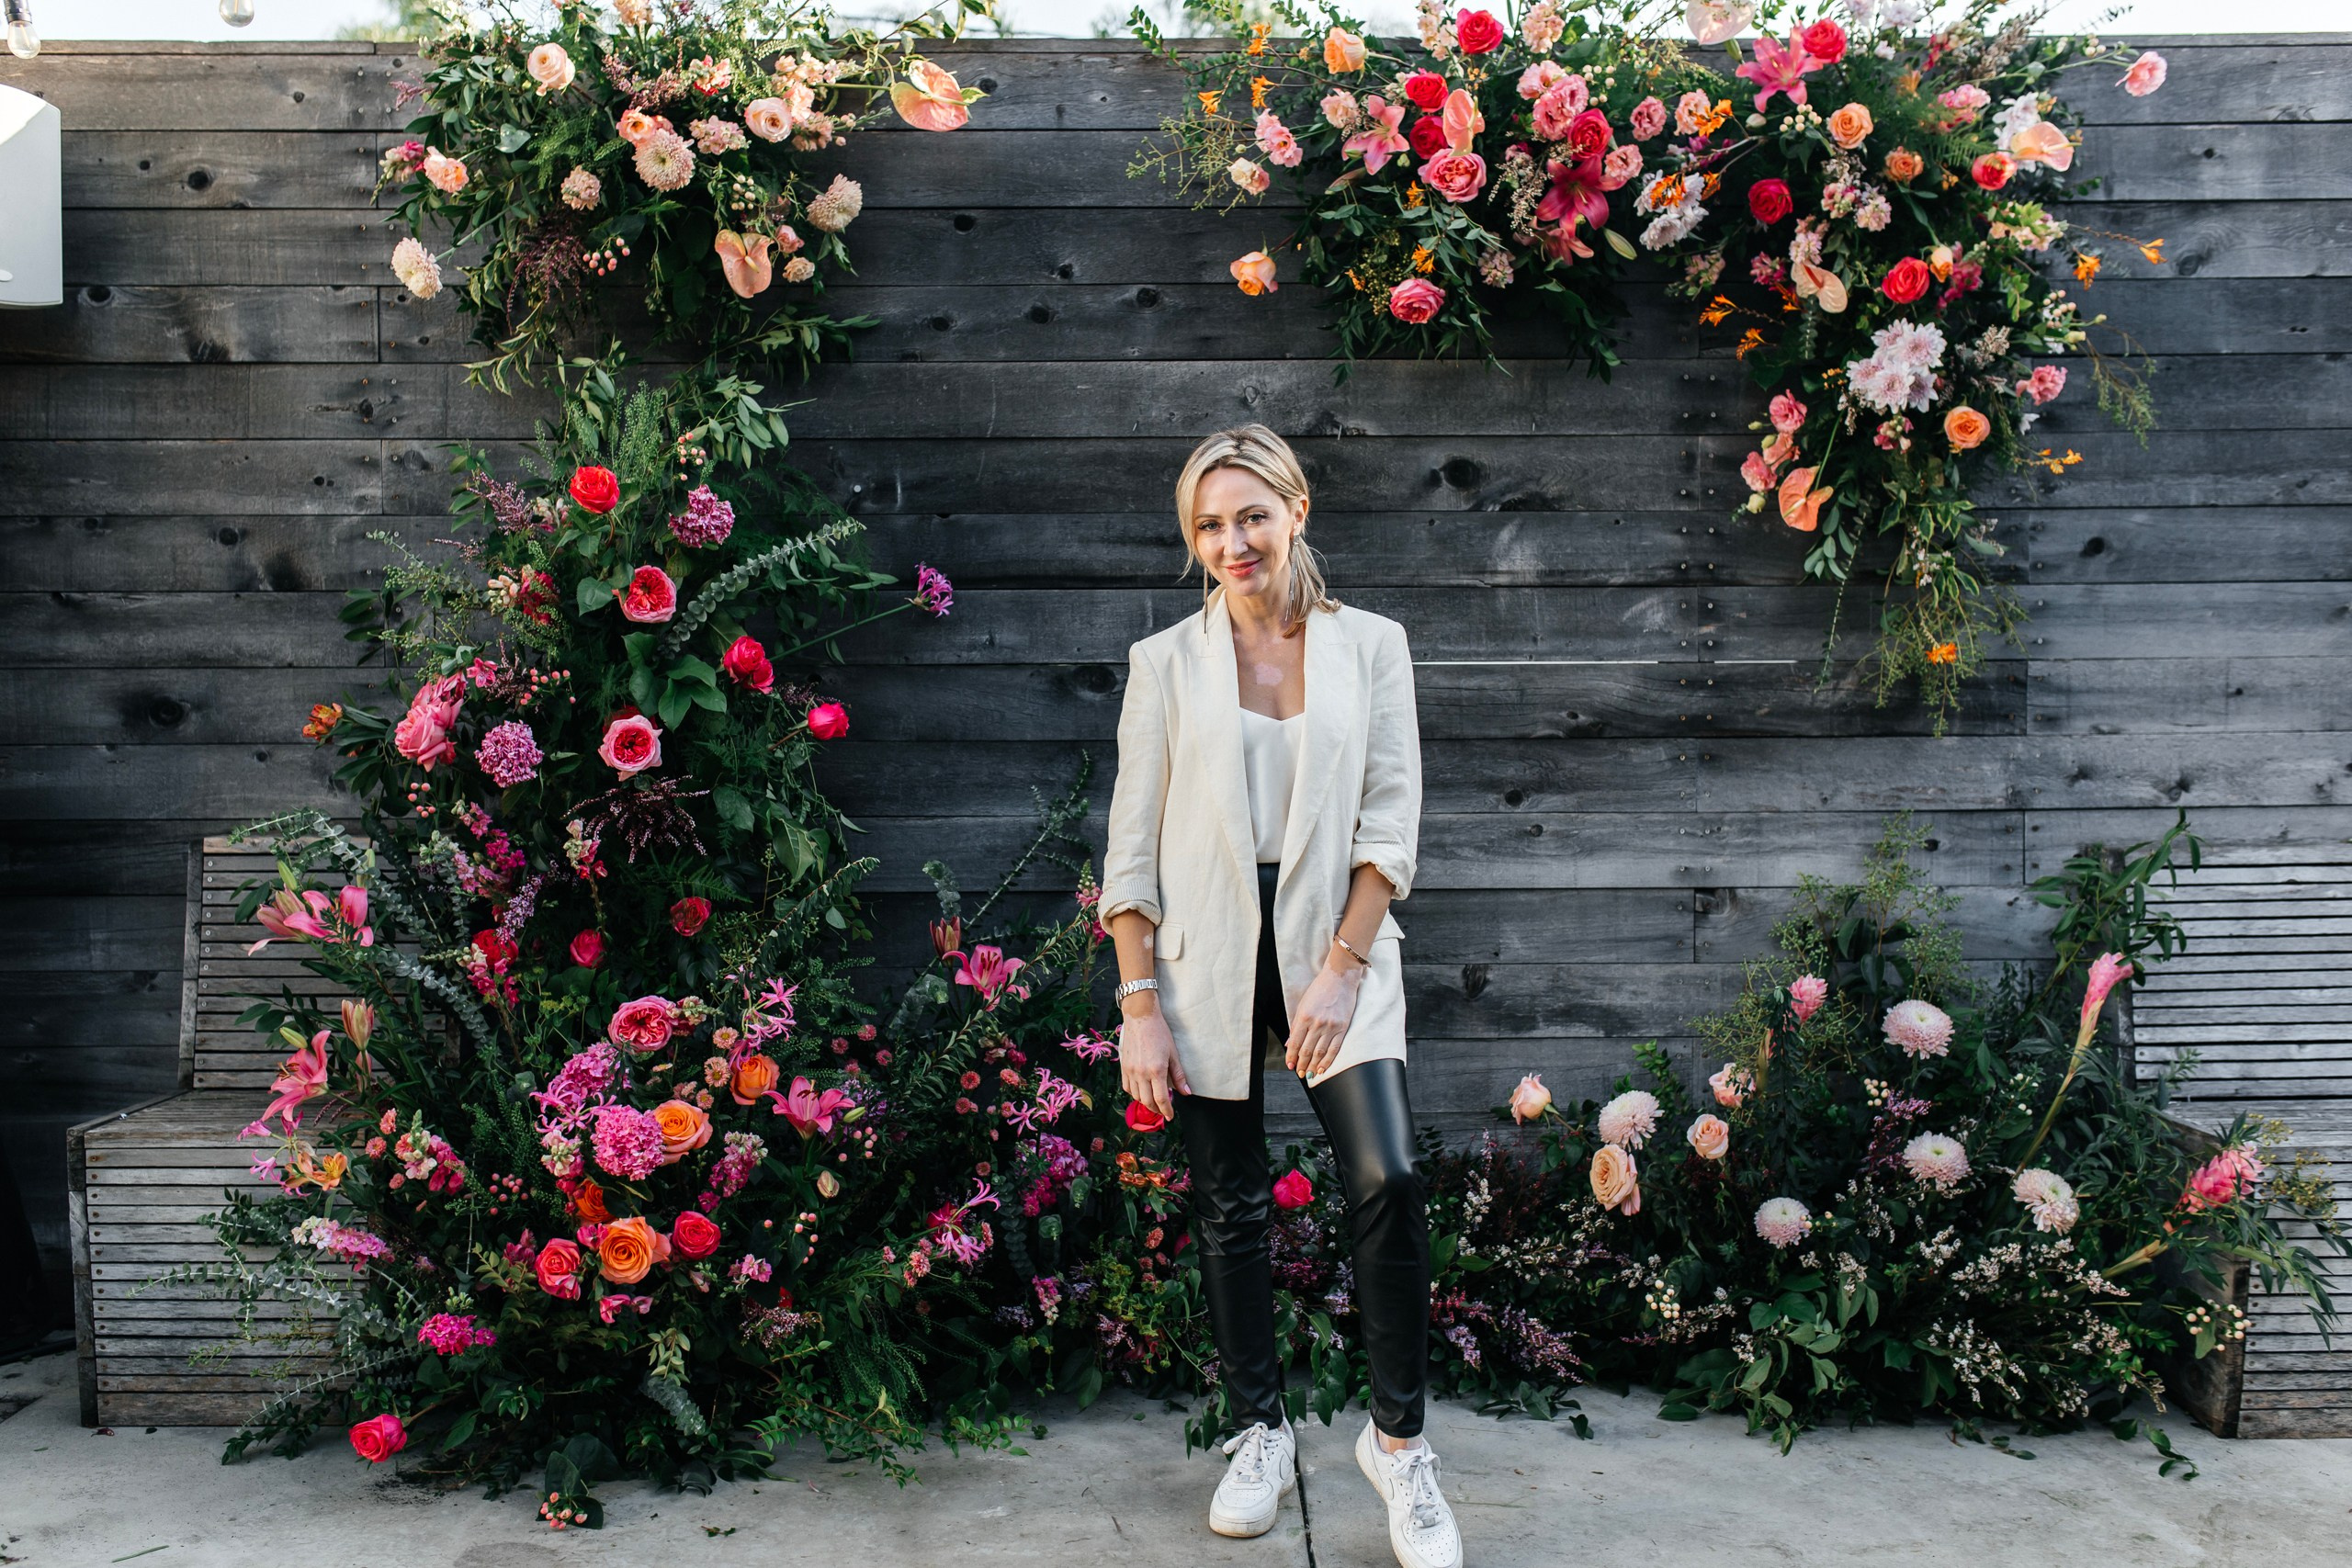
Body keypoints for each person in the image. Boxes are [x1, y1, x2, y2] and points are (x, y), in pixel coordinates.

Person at [1097, 425, 1458, 1568]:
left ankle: (1397, 1450)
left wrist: (1345, 969)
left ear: (1296, 509)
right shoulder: (1165, 663)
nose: (1230, 541)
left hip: (1332, 948)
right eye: (1207, 525)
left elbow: (1390, 826)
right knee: (1229, 1204)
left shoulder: (1374, 647)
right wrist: (1137, 1004)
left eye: (1250, 515)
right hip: (1203, 953)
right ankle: (1260, 1430)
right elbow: (1130, 854)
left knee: (1387, 1177)